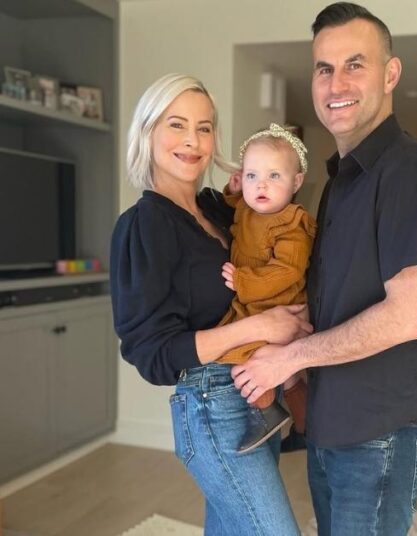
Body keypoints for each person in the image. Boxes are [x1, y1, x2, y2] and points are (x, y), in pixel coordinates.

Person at [229, 3, 417, 534]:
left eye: (355, 64)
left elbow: (407, 315)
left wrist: (285, 360)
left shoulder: (411, 170)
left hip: (382, 428)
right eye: (323, 68)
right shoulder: (340, 184)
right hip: (335, 423)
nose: (337, 82)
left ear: (391, 73)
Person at [111, 73, 311, 534]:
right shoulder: (144, 225)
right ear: (147, 133)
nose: (193, 140)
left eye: (204, 127)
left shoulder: (219, 210)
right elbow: (152, 354)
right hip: (212, 406)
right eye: (176, 125)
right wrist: (262, 328)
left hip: (257, 392)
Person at [216, 123, 316, 454]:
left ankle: (273, 415)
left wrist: (244, 281)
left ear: (296, 182)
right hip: (253, 307)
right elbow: (234, 207)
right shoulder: (248, 208)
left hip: (276, 304)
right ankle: (295, 418)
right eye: (251, 176)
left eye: (274, 176)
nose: (261, 185)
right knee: (276, 373)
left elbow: (287, 271)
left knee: (248, 361)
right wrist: (232, 191)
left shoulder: (293, 222)